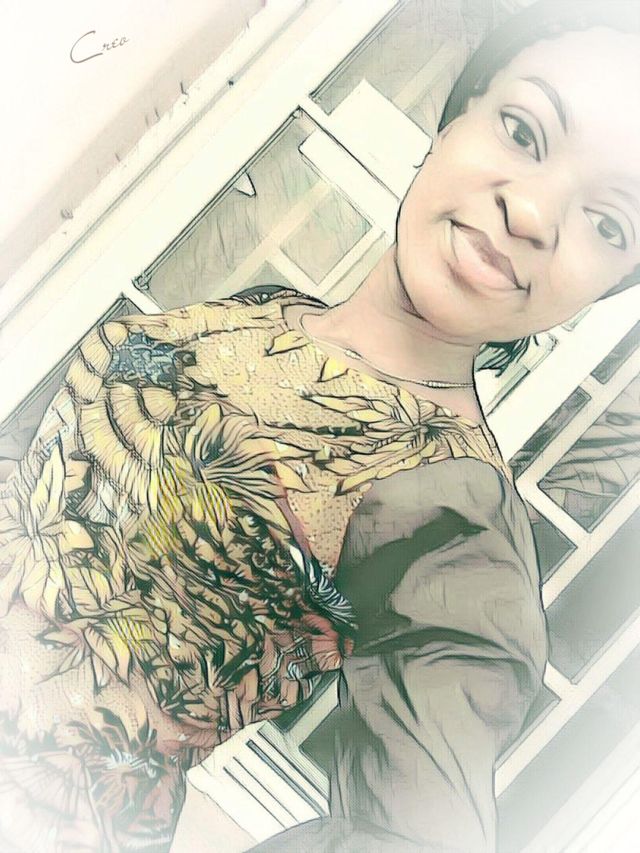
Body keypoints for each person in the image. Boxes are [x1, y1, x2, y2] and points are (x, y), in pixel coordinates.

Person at [0, 1, 638, 851]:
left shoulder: (458, 517)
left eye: (609, 223)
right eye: (523, 131)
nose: (531, 213)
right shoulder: (272, 315)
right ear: (455, 118)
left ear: (611, 285)